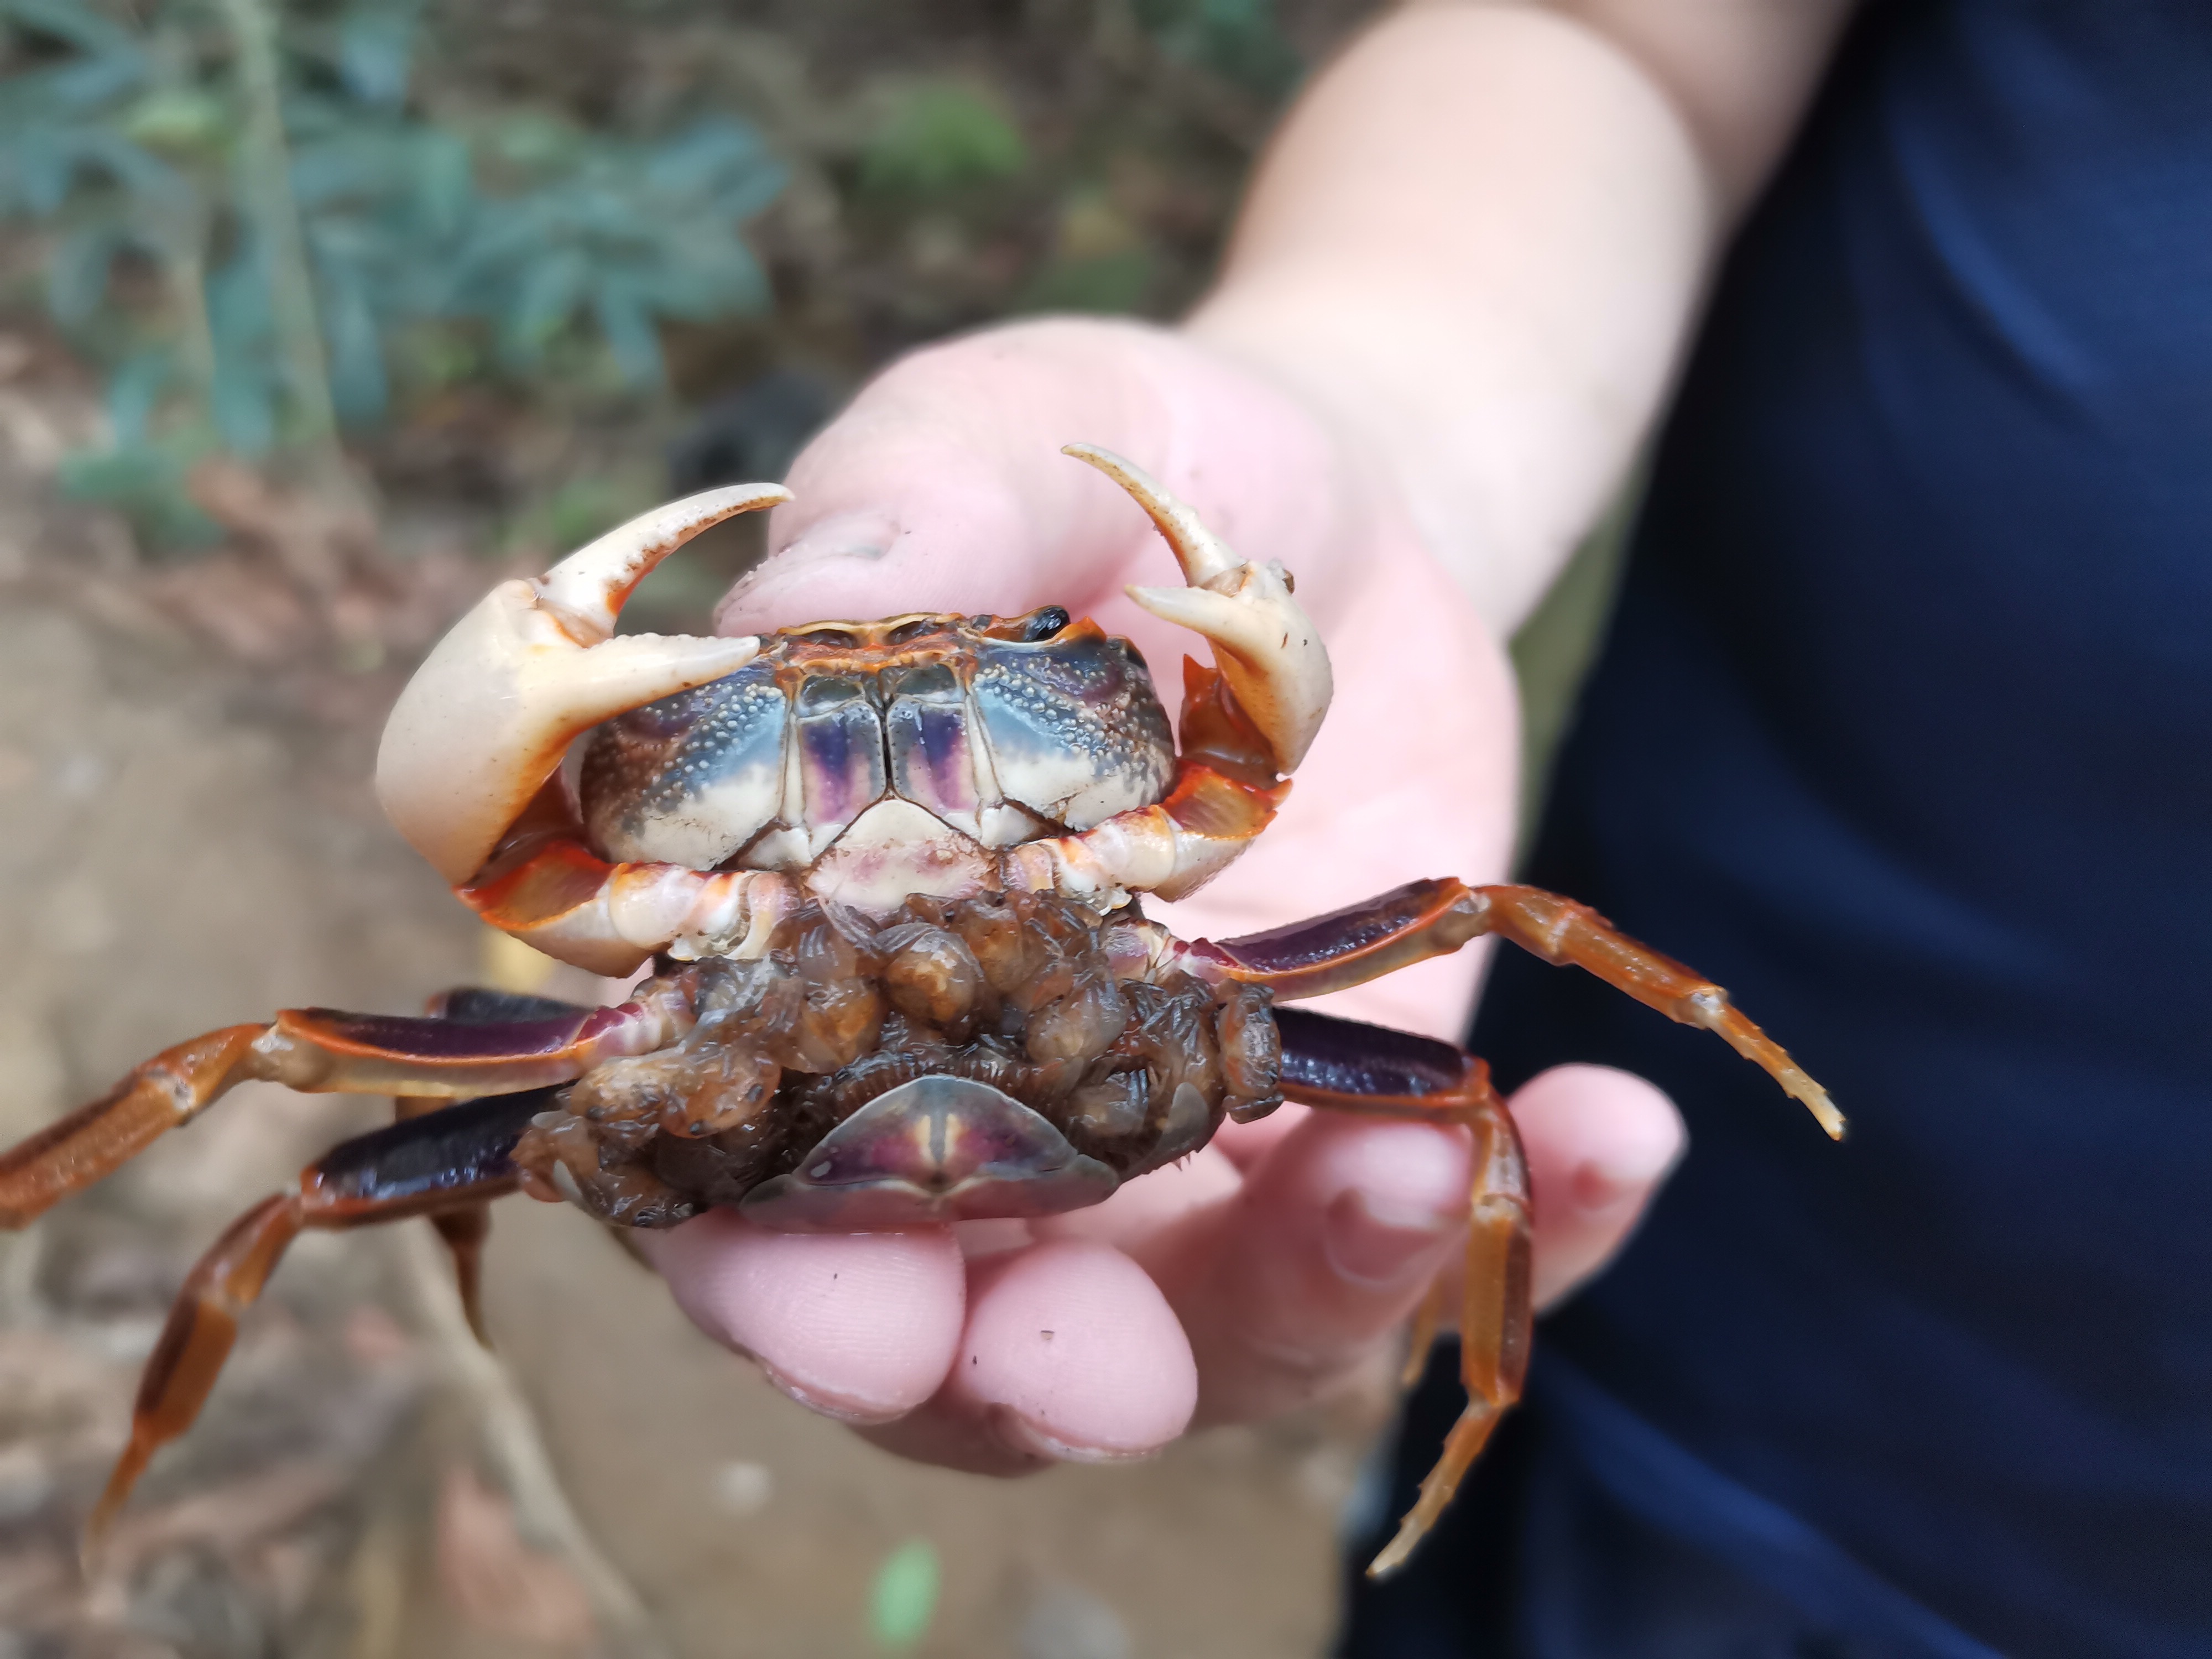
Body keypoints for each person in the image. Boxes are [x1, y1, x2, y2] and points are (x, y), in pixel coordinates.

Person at [643, 4, 2212, 1653]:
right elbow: (1615, 39)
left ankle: (1491, 1387)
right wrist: (1370, 431)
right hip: (1736, 1357)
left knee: (1471, 1088)